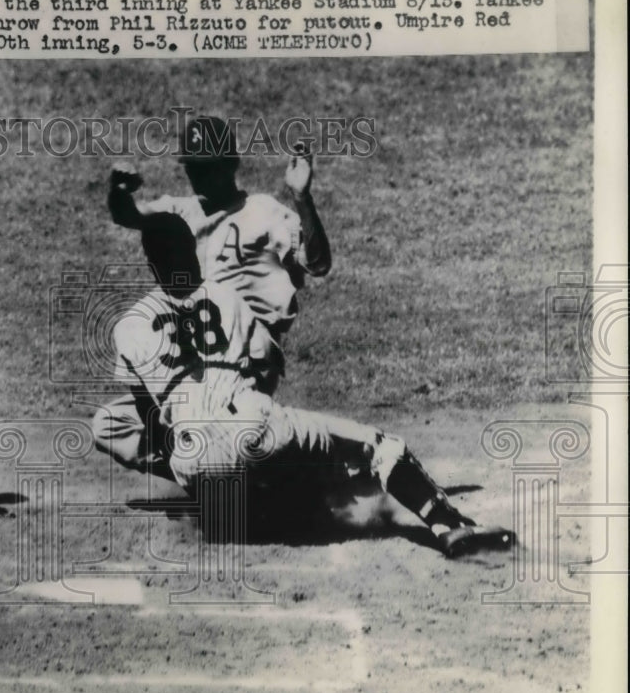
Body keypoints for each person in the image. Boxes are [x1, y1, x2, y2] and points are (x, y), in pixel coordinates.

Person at [101, 212, 515, 558]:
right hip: (255, 428)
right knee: (381, 447)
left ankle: (246, 504)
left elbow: (150, 420)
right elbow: (265, 370)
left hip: (194, 464)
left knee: (164, 441)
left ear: (151, 265)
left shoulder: (130, 324)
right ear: (191, 250)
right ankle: (450, 526)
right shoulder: (225, 297)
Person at [95, 114, 330, 474]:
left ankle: (293, 467)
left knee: (231, 433)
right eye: (193, 168)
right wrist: (118, 191)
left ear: (231, 163)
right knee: (110, 425)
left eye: (208, 167)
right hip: (192, 360)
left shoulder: (263, 211)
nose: (199, 176)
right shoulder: (177, 211)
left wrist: (301, 198)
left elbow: (317, 263)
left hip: (247, 362)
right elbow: (128, 215)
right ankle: (201, 471)